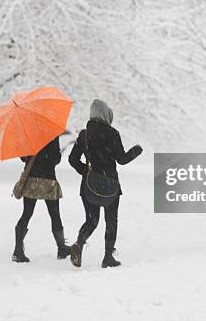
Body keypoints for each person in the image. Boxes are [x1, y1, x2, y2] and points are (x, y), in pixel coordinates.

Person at [68, 99, 143, 268]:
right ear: (106, 115)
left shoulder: (84, 135)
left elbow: (72, 159)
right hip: (110, 185)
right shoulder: (112, 133)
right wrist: (135, 151)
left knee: (91, 221)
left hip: (88, 186)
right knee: (111, 220)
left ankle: (79, 245)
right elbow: (122, 160)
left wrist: (86, 173)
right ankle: (108, 257)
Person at [12, 135, 71, 263]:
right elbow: (55, 159)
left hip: (31, 179)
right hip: (48, 179)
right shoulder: (51, 133)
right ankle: (61, 248)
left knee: (27, 213)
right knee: (54, 214)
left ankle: (18, 250)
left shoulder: (28, 133)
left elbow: (23, 158)